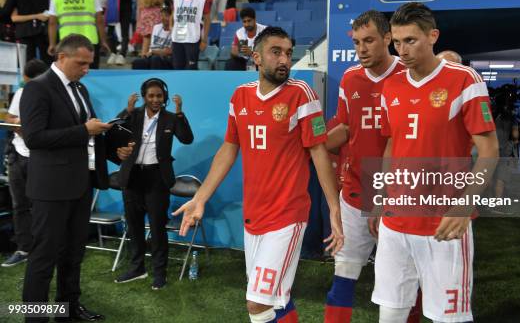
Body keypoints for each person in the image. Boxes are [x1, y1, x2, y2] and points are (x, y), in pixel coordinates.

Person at [173, 26, 344, 323]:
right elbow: (229, 148)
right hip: (253, 218)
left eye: (289, 53)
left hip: (287, 216)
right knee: (276, 300)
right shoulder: (240, 96)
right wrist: (201, 198)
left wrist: (334, 208)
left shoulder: (302, 94)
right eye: (276, 52)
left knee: (257, 304)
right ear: (256, 58)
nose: (284, 60)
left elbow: (318, 152)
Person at [371, 3, 499, 322]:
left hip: (441, 223)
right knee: (390, 314)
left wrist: (462, 208)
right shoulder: (391, 86)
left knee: (448, 318)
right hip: (395, 222)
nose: (402, 51)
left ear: (433, 36)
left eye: (411, 41)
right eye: (397, 42)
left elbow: (489, 151)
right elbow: (391, 144)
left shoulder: (464, 80)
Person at [20, 34, 117, 323]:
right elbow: (35, 138)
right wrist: (84, 131)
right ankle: (34, 318)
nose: (86, 69)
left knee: (73, 254)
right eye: (81, 63)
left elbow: (89, 132)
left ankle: (68, 309)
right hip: (50, 188)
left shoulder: (80, 90)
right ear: (62, 57)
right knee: (43, 257)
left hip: (79, 184)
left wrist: (115, 150)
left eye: (89, 64)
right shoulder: (37, 89)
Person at [323, 11, 405, 322]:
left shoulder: (407, 76)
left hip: (396, 198)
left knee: (403, 286)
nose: (362, 49)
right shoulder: (350, 77)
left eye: (369, 40)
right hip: (355, 194)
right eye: (357, 42)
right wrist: (311, 149)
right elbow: (345, 127)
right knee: (342, 279)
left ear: (388, 39)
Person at [113, 78, 193, 290]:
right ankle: (137, 268)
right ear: (144, 97)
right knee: (134, 226)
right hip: (132, 177)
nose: (156, 99)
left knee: (157, 229)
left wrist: (180, 113)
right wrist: (126, 111)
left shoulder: (170, 118)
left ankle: (160, 273)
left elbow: (187, 139)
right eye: (151, 96)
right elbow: (114, 133)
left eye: (159, 96)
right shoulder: (135, 115)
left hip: (157, 178)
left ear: (164, 97)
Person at [1, 59, 48, 268]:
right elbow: (10, 117)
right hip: (17, 155)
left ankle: (44, 248)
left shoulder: (52, 95)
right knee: (19, 205)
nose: (25, 84)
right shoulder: (21, 93)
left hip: (42, 156)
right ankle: (23, 248)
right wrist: (17, 124)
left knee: (43, 205)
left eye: (28, 80)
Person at [47, 0, 110, 69]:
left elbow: (52, 23)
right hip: (90, 41)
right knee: (91, 74)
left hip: (67, 42)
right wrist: (103, 41)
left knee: (69, 74)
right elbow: (100, 20)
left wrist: (52, 44)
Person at [1, 0, 53, 64]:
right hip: (43, 29)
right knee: (47, 62)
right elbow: (53, 9)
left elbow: (7, 10)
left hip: (23, 29)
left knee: (27, 64)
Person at [171, 0, 206, 70]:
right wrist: (171, 27)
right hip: (178, 38)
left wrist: (204, 40)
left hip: (193, 38)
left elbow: (207, 20)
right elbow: (174, 15)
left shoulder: (202, 0)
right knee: (177, 68)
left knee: (191, 69)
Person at [132, 4, 173, 70]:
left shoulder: (175, 30)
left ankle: (155, 79)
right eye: (161, 16)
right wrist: (147, 54)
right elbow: (152, 46)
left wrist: (153, 52)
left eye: (166, 16)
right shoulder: (156, 27)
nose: (163, 18)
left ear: (172, 17)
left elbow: (169, 51)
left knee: (155, 59)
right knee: (137, 62)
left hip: (166, 57)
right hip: (153, 55)